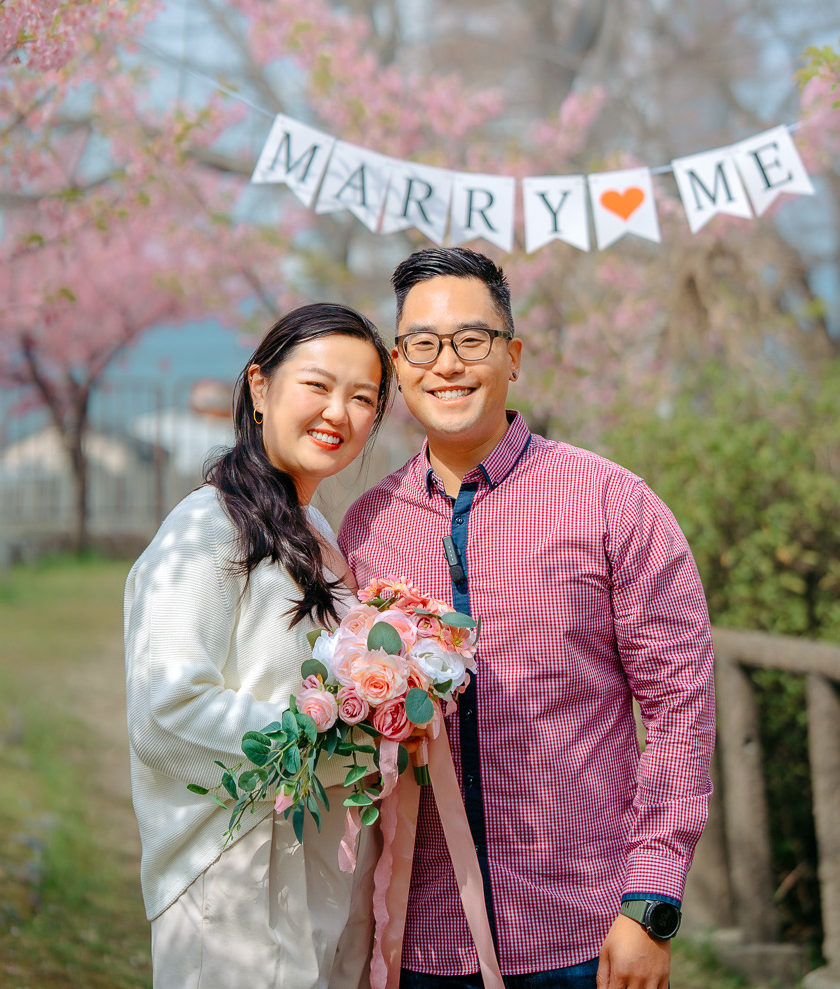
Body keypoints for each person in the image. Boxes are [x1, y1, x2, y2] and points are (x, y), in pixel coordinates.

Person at [338, 248, 716, 989]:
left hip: (584, 936)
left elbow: (681, 707)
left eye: (472, 340)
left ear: (512, 358)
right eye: (423, 344)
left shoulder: (612, 503)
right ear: (398, 366)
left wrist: (651, 902)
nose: (448, 363)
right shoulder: (367, 528)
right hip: (420, 943)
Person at [124, 304, 393, 989]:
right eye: (317, 385)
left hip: (322, 866)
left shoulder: (316, 531)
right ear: (260, 386)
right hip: (236, 878)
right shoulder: (206, 530)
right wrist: (344, 742)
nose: (338, 412)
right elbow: (168, 710)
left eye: (363, 398)